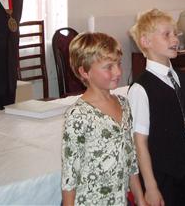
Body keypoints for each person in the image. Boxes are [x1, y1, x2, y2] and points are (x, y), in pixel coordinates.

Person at [128, 9, 185, 206]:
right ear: (146, 41)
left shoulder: (184, 79)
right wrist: (151, 186)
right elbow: (140, 142)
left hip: (183, 168)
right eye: (167, 34)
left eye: (175, 33)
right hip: (159, 175)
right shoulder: (141, 88)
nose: (175, 39)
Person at [61, 32, 145, 206]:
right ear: (84, 72)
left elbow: (130, 159)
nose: (118, 71)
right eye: (108, 67)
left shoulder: (123, 104)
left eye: (118, 63)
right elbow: (70, 173)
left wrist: (139, 198)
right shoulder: (78, 115)